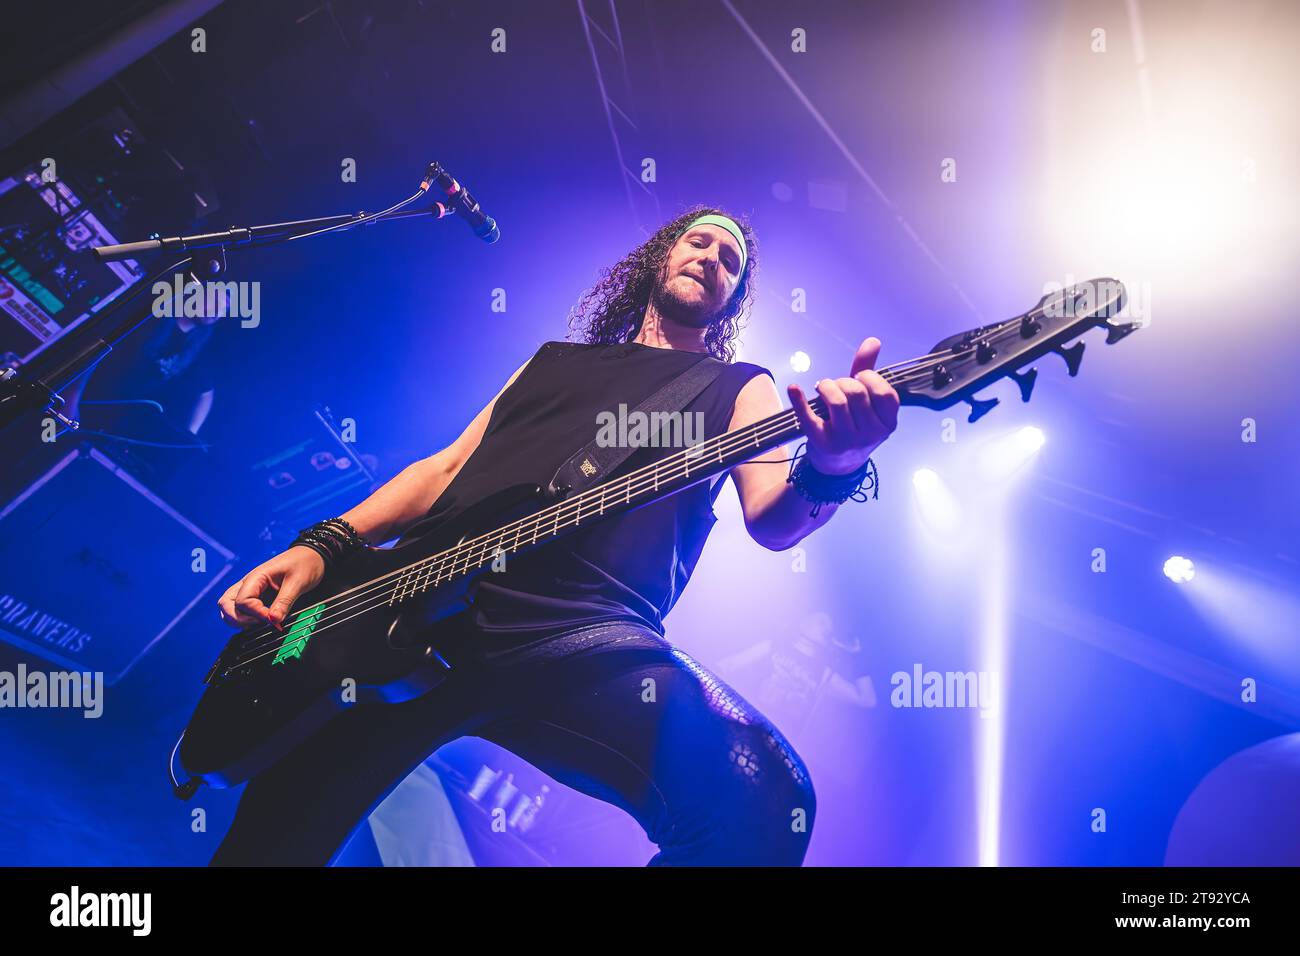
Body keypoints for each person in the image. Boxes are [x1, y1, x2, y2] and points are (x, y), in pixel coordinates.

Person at [210, 206, 900, 866]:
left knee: (762, 801)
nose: (712, 259)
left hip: (575, 630)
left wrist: (836, 465)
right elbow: (444, 469)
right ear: (663, 255)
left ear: (732, 300)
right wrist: (321, 544)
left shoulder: (741, 388)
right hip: (404, 612)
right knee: (269, 845)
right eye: (701, 243)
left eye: (730, 262)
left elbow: (773, 518)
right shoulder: (552, 361)